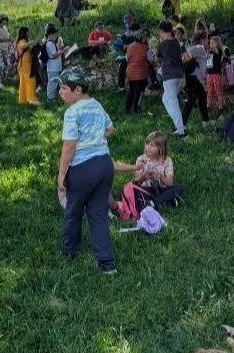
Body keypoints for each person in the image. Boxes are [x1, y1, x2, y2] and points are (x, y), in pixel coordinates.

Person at [56, 67, 116, 275]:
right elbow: (110, 129)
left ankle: (69, 250)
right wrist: (95, 138)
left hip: (83, 167)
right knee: (98, 213)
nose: (60, 92)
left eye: (64, 88)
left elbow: (69, 145)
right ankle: (107, 262)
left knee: (73, 211)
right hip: (105, 164)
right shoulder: (97, 106)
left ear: (78, 90)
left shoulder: (72, 112)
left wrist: (62, 173)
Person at [111, 131, 184, 211]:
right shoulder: (141, 159)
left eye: (152, 145)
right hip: (146, 190)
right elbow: (137, 182)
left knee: (178, 188)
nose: (148, 147)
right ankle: (164, 201)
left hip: (162, 189)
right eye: (147, 144)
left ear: (161, 148)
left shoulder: (166, 160)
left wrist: (161, 177)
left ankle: (153, 203)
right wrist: (143, 177)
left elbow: (170, 183)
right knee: (133, 190)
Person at [157, 20, 187, 137]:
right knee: (166, 99)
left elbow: (157, 58)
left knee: (173, 102)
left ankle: (180, 129)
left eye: (159, 32)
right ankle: (178, 125)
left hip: (169, 76)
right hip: (180, 74)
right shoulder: (176, 41)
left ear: (162, 31)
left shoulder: (162, 44)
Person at [183, 31, 209, 126]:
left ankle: (205, 121)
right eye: (206, 39)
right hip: (194, 78)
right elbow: (187, 55)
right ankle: (181, 124)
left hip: (193, 77)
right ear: (202, 39)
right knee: (193, 101)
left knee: (199, 99)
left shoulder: (200, 48)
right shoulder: (199, 47)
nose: (208, 41)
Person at [125, 29, 151, 114]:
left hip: (130, 72)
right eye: (144, 37)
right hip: (140, 73)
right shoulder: (145, 48)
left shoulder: (130, 46)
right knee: (137, 92)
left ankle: (128, 108)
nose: (146, 39)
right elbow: (150, 59)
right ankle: (135, 109)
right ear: (141, 38)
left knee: (131, 91)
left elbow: (126, 58)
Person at [14, 26, 39, 105]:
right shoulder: (22, 41)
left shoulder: (23, 41)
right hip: (24, 64)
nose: (29, 33)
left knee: (23, 82)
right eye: (28, 32)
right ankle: (32, 99)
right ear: (24, 33)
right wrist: (30, 42)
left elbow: (28, 49)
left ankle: (23, 99)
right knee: (30, 80)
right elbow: (23, 46)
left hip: (23, 64)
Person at [44, 24, 68, 101]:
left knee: (54, 82)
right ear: (50, 34)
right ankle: (50, 97)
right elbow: (54, 55)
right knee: (52, 83)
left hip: (55, 66)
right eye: (55, 34)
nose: (56, 35)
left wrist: (62, 49)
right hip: (53, 67)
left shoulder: (51, 43)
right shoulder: (50, 44)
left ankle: (52, 96)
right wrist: (63, 51)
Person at [206, 36, 225, 112]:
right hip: (209, 74)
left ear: (218, 43)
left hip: (216, 74)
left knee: (218, 90)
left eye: (213, 43)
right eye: (210, 43)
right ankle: (208, 105)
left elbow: (212, 49)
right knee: (210, 90)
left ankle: (221, 106)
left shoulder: (218, 51)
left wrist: (205, 43)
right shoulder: (209, 52)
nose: (211, 44)